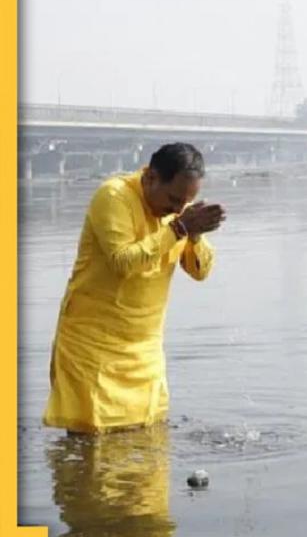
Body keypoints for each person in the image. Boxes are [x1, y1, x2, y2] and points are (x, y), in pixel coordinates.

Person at [42, 143, 226, 433]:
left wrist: (196, 236)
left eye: (186, 202)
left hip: (145, 350)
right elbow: (123, 262)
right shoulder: (113, 196)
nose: (179, 208)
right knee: (89, 449)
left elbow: (200, 271)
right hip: (93, 348)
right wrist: (179, 228)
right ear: (151, 177)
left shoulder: (180, 213)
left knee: (150, 449)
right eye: (174, 199)